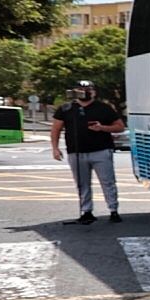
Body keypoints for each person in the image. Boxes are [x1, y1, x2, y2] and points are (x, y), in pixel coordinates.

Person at [50, 80, 123, 225]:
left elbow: (120, 127)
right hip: (76, 152)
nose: (84, 92)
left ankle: (113, 210)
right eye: (80, 89)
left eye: (88, 89)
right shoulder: (66, 108)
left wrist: (102, 128)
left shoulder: (104, 108)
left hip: (101, 151)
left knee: (107, 181)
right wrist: (55, 148)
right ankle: (86, 211)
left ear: (94, 92)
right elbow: (56, 129)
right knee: (82, 184)